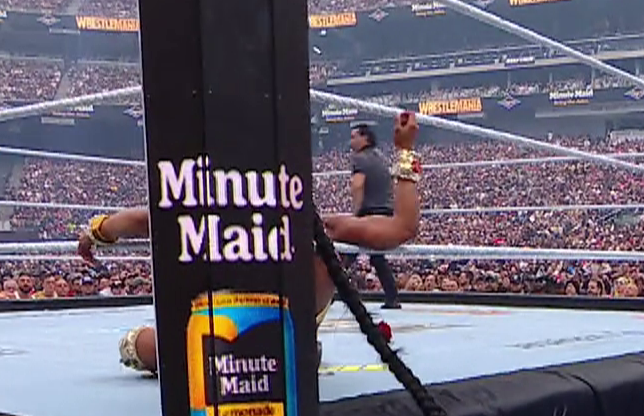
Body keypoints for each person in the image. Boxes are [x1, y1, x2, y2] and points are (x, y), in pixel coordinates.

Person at [79, 112, 423, 375]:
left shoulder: (316, 227)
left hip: (238, 346)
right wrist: (405, 152)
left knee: (135, 347)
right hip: (256, 343)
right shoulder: (315, 226)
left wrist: (98, 231)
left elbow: (149, 219)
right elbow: (403, 227)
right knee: (135, 346)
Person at [348, 122, 401, 310]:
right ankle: (392, 297)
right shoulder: (382, 157)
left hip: (369, 212)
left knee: (345, 250)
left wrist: (355, 214)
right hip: (385, 211)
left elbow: (357, 185)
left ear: (365, 138)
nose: (351, 141)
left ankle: (326, 290)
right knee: (377, 256)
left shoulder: (359, 158)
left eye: (354, 137)